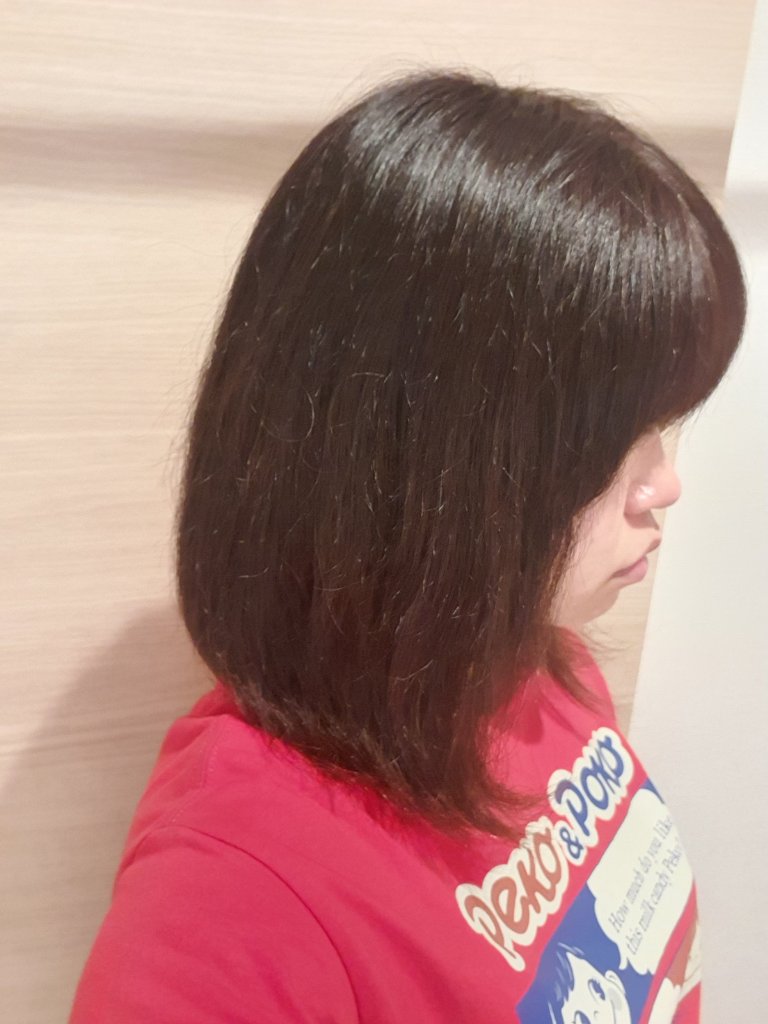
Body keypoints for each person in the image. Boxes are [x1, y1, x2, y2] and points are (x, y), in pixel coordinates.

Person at [68, 68, 746, 1023]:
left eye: (659, 424)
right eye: (611, 438)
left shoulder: (540, 666)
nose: (664, 482)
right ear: (424, 456)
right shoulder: (234, 899)